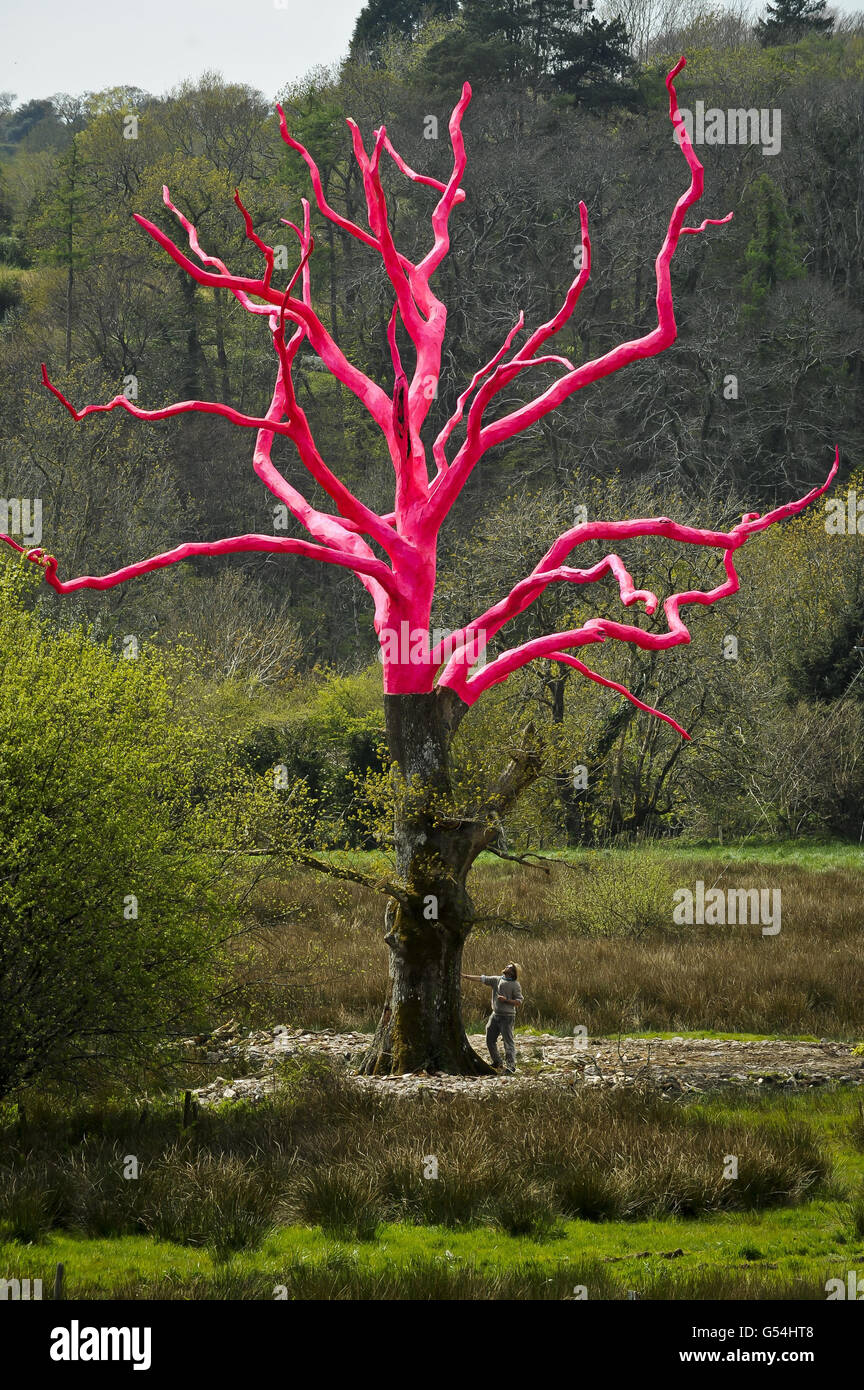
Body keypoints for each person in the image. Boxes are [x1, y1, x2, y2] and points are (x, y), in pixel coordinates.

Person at [462, 963, 523, 1073]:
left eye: (509, 967)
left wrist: (506, 1000)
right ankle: (497, 1062)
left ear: (512, 972)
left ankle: (511, 1066)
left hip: (507, 1017)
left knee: (508, 1042)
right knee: (489, 1039)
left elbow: (519, 1001)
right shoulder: (497, 980)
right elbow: (482, 978)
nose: (506, 967)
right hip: (495, 1015)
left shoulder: (515, 985)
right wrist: (465, 976)